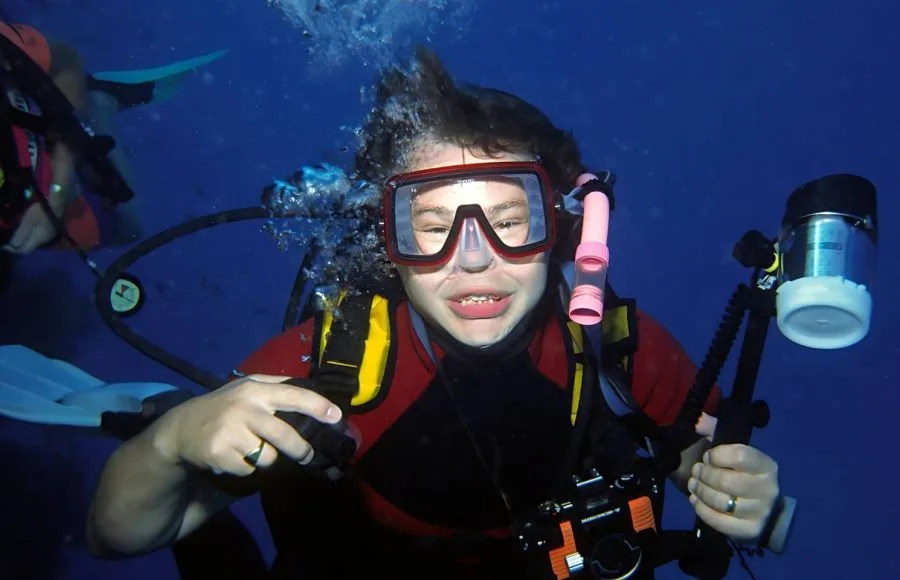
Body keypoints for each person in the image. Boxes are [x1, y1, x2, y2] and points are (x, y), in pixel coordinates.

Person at [84, 49, 786, 579]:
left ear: (564, 230)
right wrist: (174, 439)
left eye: (512, 220)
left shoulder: (620, 353)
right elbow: (114, 535)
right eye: (431, 227)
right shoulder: (328, 369)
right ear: (388, 243)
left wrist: (755, 503)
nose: (473, 259)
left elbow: (705, 460)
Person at [0, 20, 228, 260]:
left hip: (44, 150)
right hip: (18, 213)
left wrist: (58, 186)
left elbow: (64, 59)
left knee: (126, 224)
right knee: (126, 228)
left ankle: (98, 103)